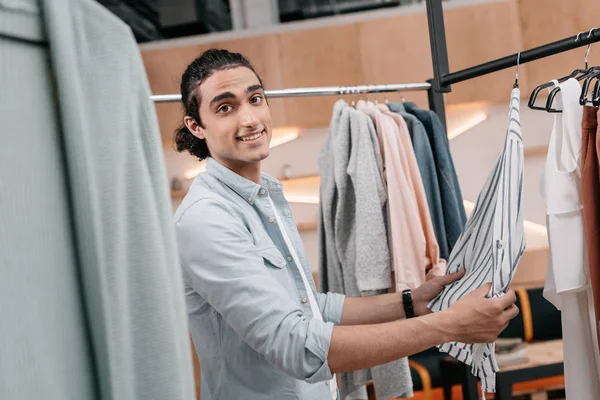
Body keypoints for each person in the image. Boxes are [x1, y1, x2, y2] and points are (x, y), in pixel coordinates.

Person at [173, 48, 519, 400]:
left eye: (256, 99)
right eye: (225, 108)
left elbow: (311, 306)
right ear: (196, 126)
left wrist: (410, 303)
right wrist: (450, 324)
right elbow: (296, 346)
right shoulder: (206, 218)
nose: (249, 119)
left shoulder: (266, 196)